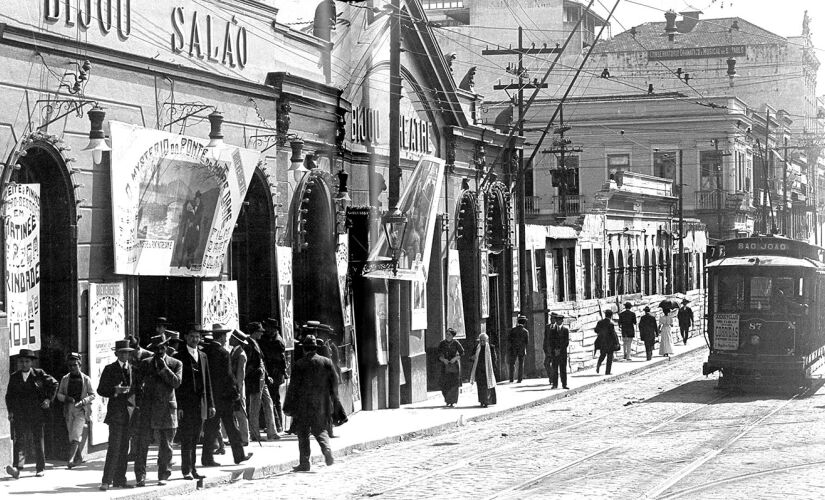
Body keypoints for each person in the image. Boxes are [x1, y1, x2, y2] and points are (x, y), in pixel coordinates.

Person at [283, 335, 338, 472]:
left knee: (303, 434)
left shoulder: (299, 364)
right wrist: (331, 400)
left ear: (304, 349)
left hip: (303, 405)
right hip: (321, 404)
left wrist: (288, 405)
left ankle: (305, 463)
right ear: (316, 348)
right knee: (320, 430)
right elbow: (334, 383)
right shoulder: (326, 362)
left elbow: (293, 387)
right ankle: (327, 450)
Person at [134, 333, 182, 487]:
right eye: (157, 348)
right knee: (142, 444)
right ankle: (140, 476)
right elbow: (136, 384)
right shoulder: (145, 363)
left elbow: (176, 383)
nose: (160, 350)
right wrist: (140, 401)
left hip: (167, 409)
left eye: (162, 347)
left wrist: (164, 368)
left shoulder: (175, 363)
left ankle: (164, 474)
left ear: (167, 347)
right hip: (148, 409)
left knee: (166, 445)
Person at [200, 324, 252, 467]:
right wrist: (235, 392)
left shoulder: (204, 352)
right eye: (225, 337)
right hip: (224, 398)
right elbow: (228, 376)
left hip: (210, 397)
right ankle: (239, 456)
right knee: (231, 427)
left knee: (210, 429)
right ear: (222, 337)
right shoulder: (223, 353)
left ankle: (207, 458)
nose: (226, 339)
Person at [5, 349, 57, 479]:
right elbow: (9, 396)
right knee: (19, 440)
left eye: (27, 361)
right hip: (20, 414)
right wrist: (10, 411)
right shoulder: (14, 376)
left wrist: (48, 399)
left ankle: (40, 468)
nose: (24, 364)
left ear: (31, 363)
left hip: (36, 413)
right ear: (18, 363)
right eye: (21, 361)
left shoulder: (39, 374)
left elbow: (54, 384)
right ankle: (17, 467)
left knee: (37, 440)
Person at [173, 324, 215, 481]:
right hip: (186, 404)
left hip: (200, 403)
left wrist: (210, 404)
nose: (195, 339)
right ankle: (186, 470)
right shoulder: (179, 356)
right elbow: (178, 385)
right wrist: (180, 406)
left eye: (197, 336)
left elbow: (208, 381)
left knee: (196, 437)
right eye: (192, 336)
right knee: (186, 437)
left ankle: (194, 468)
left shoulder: (203, 355)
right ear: (186, 337)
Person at [97, 341, 136, 490]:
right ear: (116, 354)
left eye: (127, 352)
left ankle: (120, 479)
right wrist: (115, 391)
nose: (125, 355)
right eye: (122, 352)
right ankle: (106, 481)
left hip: (129, 414)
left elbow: (135, 390)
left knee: (124, 448)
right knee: (114, 447)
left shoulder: (133, 369)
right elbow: (100, 390)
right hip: (116, 415)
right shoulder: (109, 369)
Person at [57, 353, 95, 470]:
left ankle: (70, 459)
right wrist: (67, 398)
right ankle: (79, 457)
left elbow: (92, 395)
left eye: (75, 365)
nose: (73, 367)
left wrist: (83, 401)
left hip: (81, 410)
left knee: (76, 433)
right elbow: (59, 394)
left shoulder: (86, 379)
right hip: (69, 409)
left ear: (80, 365)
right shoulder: (65, 379)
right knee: (71, 435)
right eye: (70, 365)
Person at [245, 322, 278, 441]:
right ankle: (255, 434)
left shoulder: (255, 343)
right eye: (260, 331)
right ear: (254, 332)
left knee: (268, 403)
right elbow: (248, 364)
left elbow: (262, 362)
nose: (262, 333)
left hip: (262, 379)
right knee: (255, 406)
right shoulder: (248, 345)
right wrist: (255, 373)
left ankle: (272, 432)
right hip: (255, 379)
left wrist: (266, 375)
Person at [261, 317, 287, 434]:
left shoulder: (276, 341)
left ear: (272, 328)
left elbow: (276, 359)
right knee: (274, 399)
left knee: (273, 399)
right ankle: (278, 424)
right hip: (275, 374)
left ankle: (277, 425)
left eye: (267, 327)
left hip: (275, 374)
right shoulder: (274, 338)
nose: (265, 329)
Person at [229, 329, 250, 445]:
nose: (229, 339)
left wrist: (238, 390)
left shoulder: (241, 354)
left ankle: (244, 438)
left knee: (241, 414)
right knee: (235, 413)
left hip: (238, 388)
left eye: (232, 338)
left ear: (237, 341)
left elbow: (240, 375)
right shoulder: (233, 352)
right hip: (233, 387)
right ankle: (239, 437)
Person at [437, 327, 464, 407]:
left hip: (454, 366)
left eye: (449, 334)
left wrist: (455, 358)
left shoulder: (456, 343)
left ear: (452, 336)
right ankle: (447, 400)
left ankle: (452, 401)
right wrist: (443, 359)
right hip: (445, 366)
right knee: (444, 383)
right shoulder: (442, 343)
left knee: (454, 384)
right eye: (447, 334)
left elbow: (462, 353)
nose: (447, 336)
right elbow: (438, 353)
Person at [469, 333, 497, 408]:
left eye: (483, 341)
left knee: (488, 385)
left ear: (487, 340)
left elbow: (494, 358)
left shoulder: (491, 347)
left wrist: (493, 368)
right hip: (479, 370)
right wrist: (472, 357)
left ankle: (487, 401)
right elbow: (471, 357)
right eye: (480, 341)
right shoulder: (476, 347)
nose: (482, 342)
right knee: (480, 386)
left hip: (488, 369)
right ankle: (482, 401)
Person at [547, 313, 570, 389]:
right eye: (557, 320)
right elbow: (550, 341)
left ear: (562, 321)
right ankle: (555, 384)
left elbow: (566, 342)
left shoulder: (565, 330)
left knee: (563, 369)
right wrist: (554, 349)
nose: (558, 322)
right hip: (555, 353)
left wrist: (560, 349)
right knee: (555, 369)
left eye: (560, 320)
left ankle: (564, 384)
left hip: (563, 353)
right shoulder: (552, 330)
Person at [594, 310, 620, 375]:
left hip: (602, 341)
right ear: (611, 316)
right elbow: (613, 334)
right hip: (609, 342)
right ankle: (607, 372)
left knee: (602, 354)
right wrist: (616, 342)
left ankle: (599, 363)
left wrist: (601, 333)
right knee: (609, 356)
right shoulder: (610, 324)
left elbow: (596, 330)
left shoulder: (600, 322)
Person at [507, 315, 529, 383]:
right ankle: (519, 379)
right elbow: (527, 342)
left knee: (512, 364)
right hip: (521, 349)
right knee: (521, 364)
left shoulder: (513, 330)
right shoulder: (525, 331)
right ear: (524, 323)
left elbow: (509, 339)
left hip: (513, 349)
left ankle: (511, 378)